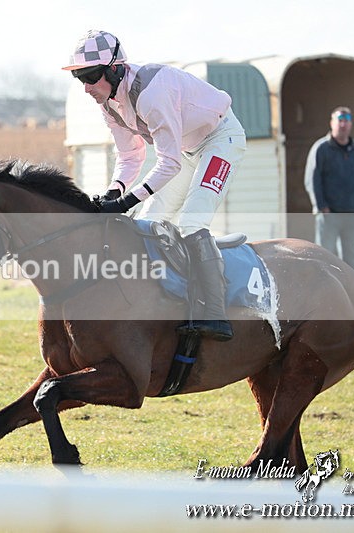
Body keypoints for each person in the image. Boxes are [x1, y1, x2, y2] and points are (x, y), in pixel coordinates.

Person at [63, 30, 246, 341]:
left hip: (220, 140)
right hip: (187, 150)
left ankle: (216, 314)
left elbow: (168, 163)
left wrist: (125, 202)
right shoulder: (108, 103)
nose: (86, 87)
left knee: (190, 223)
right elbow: (130, 154)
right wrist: (114, 189)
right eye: (80, 78)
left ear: (114, 68)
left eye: (91, 76)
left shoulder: (151, 94)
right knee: (149, 224)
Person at [304, 106, 354, 271]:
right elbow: (312, 179)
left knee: (352, 264)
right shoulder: (321, 149)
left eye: (347, 121)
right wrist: (321, 206)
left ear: (351, 124)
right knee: (325, 260)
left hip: (353, 216)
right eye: (340, 120)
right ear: (332, 123)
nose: (343, 124)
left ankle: (351, 295)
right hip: (329, 216)